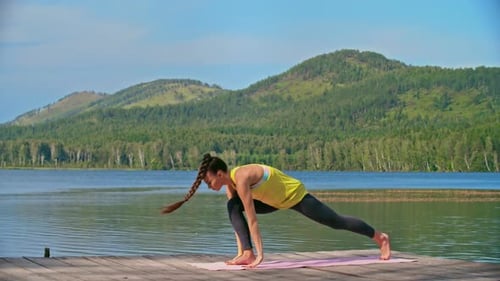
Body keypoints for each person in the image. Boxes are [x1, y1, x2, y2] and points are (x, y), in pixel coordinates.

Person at [161, 153, 391, 268]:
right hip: (273, 202)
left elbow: (252, 220)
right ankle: (246, 254)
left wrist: (261, 255)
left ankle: (380, 237)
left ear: (220, 174)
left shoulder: (240, 179)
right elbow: (238, 222)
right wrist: (242, 253)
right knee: (232, 205)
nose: (209, 186)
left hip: (295, 196)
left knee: (335, 221)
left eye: (209, 182)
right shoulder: (230, 188)